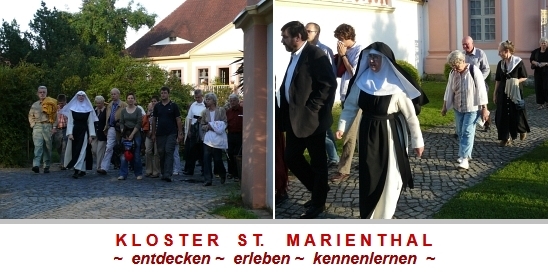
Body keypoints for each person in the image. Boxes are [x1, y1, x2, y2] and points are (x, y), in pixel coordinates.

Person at [335, 42, 425, 219]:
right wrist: (342, 127)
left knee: (391, 177)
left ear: (385, 60)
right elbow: (350, 107)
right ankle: (370, 215)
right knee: (369, 174)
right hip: (367, 132)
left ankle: (385, 216)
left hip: (390, 135)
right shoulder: (362, 82)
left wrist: (417, 141)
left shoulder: (396, 86)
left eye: (376, 57)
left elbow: (410, 116)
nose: (372, 61)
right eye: (370, 57)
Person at [277, 21, 337, 219]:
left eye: (285, 36)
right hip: (295, 120)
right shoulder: (295, 55)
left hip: (313, 120)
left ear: (297, 37)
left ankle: (318, 203)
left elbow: (328, 84)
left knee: (319, 162)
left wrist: (313, 107)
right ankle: (319, 189)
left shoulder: (315, 54)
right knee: (291, 157)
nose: (282, 40)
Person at [441, 50, 490, 170]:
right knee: (460, 132)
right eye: (453, 66)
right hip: (458, 108)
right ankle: (465, 154)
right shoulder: (453, 73)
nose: (455, 69)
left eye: (457, 66)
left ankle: (464, 158)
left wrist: (484, 108)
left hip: (472, 108)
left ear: (463, 61)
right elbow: (449, 90)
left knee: (468, 131)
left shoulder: (474, 71)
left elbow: (481, 90)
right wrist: (444, 107)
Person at [330, 23, 363, 182]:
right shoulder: (345, 50)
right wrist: (340, 56)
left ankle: (343, 170)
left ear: (348, 37)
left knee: (349, 134)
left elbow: (354, 73)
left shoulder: (359, 51)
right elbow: (338, 72)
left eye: (341, 39)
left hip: (354, 97)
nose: (339, 43)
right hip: (344, 95)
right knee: (356, 135)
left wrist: (343, 56)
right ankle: (365, 162)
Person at [305, 22, 339, 167]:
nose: (306, 33)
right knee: (324, 126)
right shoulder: (303, 50)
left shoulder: (325, 51)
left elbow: (331, 76)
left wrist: (327, 97)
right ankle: (333, 156)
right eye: (305, 30)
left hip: (323, 96)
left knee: (320, 124)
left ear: (317, 33)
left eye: (309, 31)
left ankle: (331, 157)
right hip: (309, 95)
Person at [494, 40, 530, 147]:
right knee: (502, 115)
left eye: (500, 51)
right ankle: (505, 138)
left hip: (515, 92)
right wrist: (495, 93)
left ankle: (521, 130)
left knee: (517, 113)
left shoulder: (518, 62)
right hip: (503, 93)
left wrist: (515, 81)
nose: (499, 54)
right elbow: (498, 80)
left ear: (507, 51)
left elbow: (524, 76)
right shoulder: (500, 64)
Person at [62, 91, 98, 179]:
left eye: (83, 96)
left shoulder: (88, 109)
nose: (81, 97)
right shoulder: (72, 108)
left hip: (84, 131)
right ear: (77, 97)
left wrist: (91, 135)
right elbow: (70, 122)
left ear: (85, 97)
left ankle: (77, 170)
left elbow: (90, 123)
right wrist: (70, 133)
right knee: (75, 150)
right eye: (79, 96)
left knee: (82, 150)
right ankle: (81, 169)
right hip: (75, 131)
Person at [151, 86, 183, 182]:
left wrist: (180, 133)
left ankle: (168, 174)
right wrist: (153, 133)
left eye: (165, 93)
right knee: (161, 152)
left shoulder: (173, 106)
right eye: (162, 93)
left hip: (171, 132)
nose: (163, 95)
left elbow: (178, 120)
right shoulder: (157, 106)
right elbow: (154, 120)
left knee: (169, 151)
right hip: (160, 133)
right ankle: (163, 172)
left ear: (168, 94)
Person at [462, 36, 491, 131]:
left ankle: (487, 122)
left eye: (467, 44)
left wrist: (479, 79)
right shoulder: (462, 55)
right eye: (463, 44)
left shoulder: (480, 53)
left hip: (480, 83)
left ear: (472, 43)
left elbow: (486, 69)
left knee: (482, 103)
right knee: (468, 104)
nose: (465, 46)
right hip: (467, 85)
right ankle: (463, 127)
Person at [200, 93, 228, 186]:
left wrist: (217, 127)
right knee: (206, 158)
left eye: (208, 99)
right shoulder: (204, 112)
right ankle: (208, 179)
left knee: (217, 159)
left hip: (218, 138)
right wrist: (208, 127)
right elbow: (202, 124)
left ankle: (222, 173)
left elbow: (225, 122)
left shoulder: (221, 110)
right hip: (208, 138)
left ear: (213, 101)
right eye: (206, 99)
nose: (207, 101)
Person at [28, 86, 58, 174]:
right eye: (40, 92)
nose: (42, 94)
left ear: (46, 93)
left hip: (48, 125)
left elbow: (56, 116)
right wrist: (32, 124)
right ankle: (36, 165)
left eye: (43, 92)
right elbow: (30, 115)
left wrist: (54, 127)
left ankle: (46, 166)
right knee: (38, 146)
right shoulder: (35, 104)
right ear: (37, 93)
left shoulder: (51, 103)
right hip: (37, 126)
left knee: (48, 147)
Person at [98, 88, 127, 174]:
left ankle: (124, 166)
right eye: (112, 94)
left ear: (119, 95)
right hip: (111, 128)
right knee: (109, 147)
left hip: (122, 129)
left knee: (124, 148)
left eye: (115, 94)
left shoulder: (124, 105)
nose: (113, 96)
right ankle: (104, 167)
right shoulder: (109, 105)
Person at [118, 92, 143, 180]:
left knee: (136, 154)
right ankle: (123, 174)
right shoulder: (123, 111)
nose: (130, 100)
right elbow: (121, 122)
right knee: (124, 155)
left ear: (134, 99)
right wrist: (123, 132)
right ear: (126, 99)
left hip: (136, 134)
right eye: (129, 98)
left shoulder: (138, 110)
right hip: (125, 134)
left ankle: (138, 173)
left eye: (132, 98)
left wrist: (132, 134)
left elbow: (139, 123)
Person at [183, 89, 206, 176]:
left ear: (202, 96)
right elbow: (189, 118)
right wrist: (189, 130)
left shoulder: (205, 105)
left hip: (202, 127)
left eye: (199, 97)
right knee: (191, 149)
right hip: (193, 127)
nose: (197, 99)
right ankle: (190, 169)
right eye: (196, 97)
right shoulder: (193, 105)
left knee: (203, 150)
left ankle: (204, 170)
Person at [225, 94, 243, 181]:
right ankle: (230, 172)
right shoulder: (228, 112)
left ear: (238, 101)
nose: (232, 102)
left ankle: (237, 174)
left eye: (234, 100)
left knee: (237, 154)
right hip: (231, 134)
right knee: (230, 153)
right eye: (231, 101)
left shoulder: (243, 110)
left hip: (240, 135)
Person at [530, 37, 548, 110]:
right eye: (542, 43)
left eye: (545, 43)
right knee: (538, 87)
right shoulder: (536, 51)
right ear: (539, 43)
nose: (543, 44)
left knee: (546, 87)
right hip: (538, 72)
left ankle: (547, 102)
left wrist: (546, 64)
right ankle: (541, 104)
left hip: (547, 72)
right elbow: (531, 60)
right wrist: (536, 63)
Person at [144, 96, 160, 178]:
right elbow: (145, 123)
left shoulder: (160, 111)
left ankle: (156, 171)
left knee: (157, 153)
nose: (153, 102)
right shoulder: (149, 111)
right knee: (147, 151)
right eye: (152, 101)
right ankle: (148, 170)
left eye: (155, 101)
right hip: (149, 134)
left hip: (157, 134)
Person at [92, 95, 107, 172]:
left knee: (100, 151)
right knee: (94, 150)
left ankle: (99, 167)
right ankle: (101, 164)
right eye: (97, 103)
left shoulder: (106, 111)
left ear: (103, 103)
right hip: (95, 133)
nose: (98, 105)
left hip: (102, 133)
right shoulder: (94, 111)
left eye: (100, 103)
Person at [53, 94, 68, 170]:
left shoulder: (69, 108)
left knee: (64, 146)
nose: (61, 105)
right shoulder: (56, 108)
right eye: (59, 103)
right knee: (58, 146)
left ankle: (63, 163)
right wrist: (54, 127)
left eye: (62, 103)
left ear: (65, 101)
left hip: (66, 128)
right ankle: (62, 160)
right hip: (58, 129)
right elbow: (54, 118)